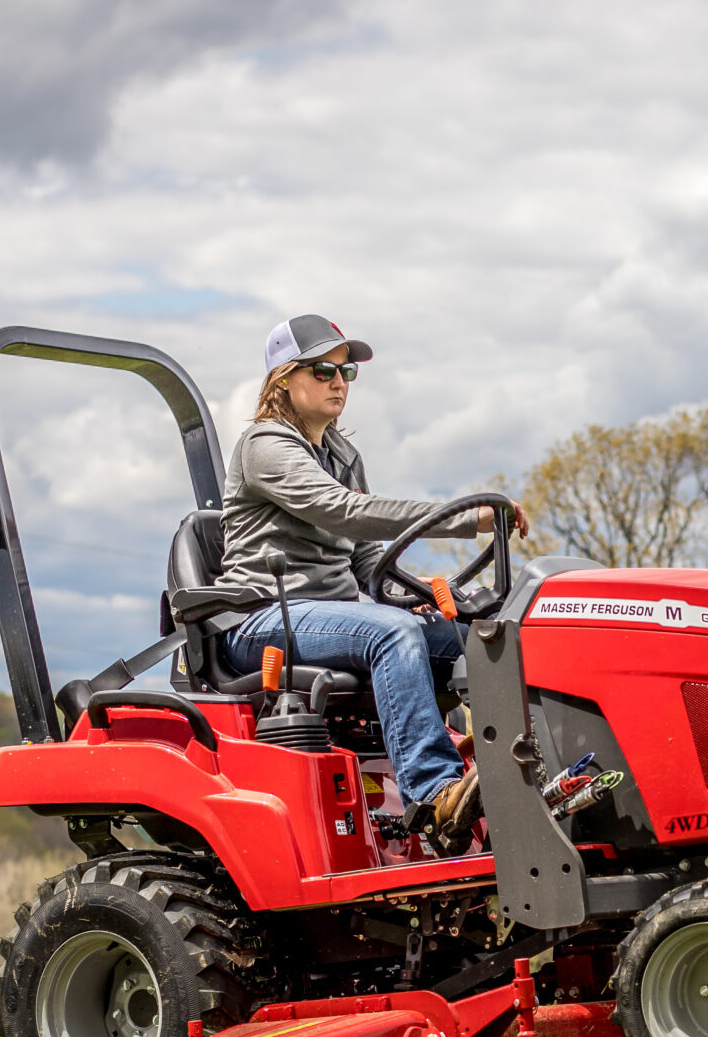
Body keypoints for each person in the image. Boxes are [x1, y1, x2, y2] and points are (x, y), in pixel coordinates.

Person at [217, 314, 521, 850]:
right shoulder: (265, 445)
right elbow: (343, 513)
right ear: (283, 378)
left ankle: (519, 769)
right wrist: (463, 517)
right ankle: (435, 793)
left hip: (333, 620)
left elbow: (365, 559)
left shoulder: (342, 455)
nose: (338, 382)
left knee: (478, 632)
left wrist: (415, 599)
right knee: (391, 633)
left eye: (346, 372)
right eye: (322, 370)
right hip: (263, 619)